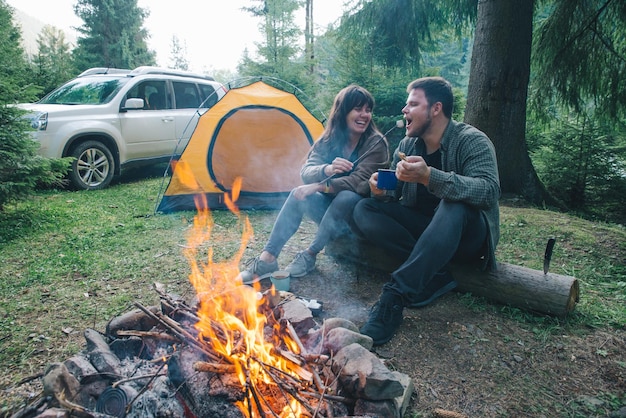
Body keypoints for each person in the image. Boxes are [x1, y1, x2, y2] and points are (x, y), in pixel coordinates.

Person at [353, 76, 501, 346]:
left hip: (467, 237)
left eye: (412, 104)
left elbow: (489, 191)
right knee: (365, 208)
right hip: (425, 232)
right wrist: (380, 191)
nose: (404, 110)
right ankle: (436, 274)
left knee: (453, 203)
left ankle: (395, 296)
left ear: (436, 109)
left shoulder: (472, 141)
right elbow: (394, 195)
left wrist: (430, 176)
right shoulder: (408, 146)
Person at [240, 84, 389, 283]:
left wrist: (321, 186)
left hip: (359, 218)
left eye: (368, 110)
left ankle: (310, 254)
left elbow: (360, 182)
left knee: (347, 195)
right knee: (298, 193)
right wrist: (326, 169)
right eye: (358, 109)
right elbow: (307, 171)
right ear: (343, 112)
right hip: (329, 214)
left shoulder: (375, 143)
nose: (364, 115)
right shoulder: (330, 138)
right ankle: (268, 258)